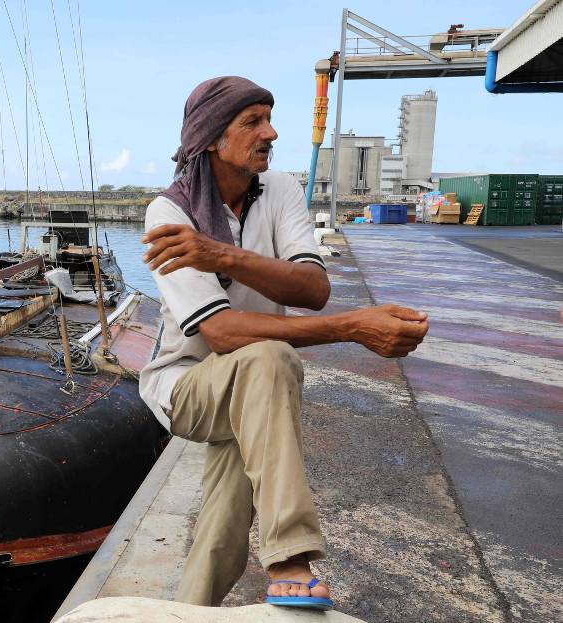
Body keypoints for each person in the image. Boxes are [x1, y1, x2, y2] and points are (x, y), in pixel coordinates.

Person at [138, 76, 429, 610]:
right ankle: (290, 556)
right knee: (270, 357)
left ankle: (190, 608)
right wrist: (352, 326)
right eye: (252, 122)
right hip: (185, 388)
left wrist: (222, 256)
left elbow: (314, 289)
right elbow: (221, 333)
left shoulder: (282, 188)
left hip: (255, 389)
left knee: (227, 509)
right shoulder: (170, 215)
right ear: (210, 138)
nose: (270, 132)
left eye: (269, 118)